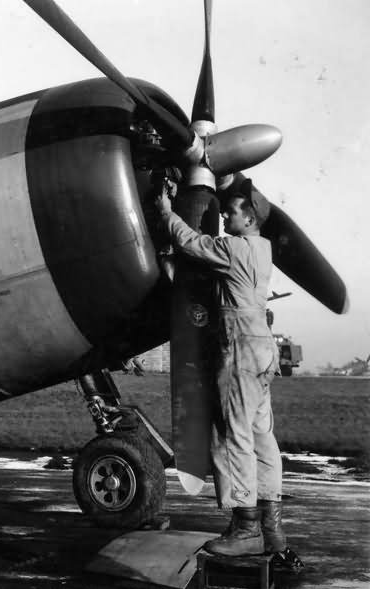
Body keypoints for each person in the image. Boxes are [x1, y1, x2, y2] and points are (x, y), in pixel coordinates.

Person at [155, 178, 298, 563]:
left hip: (239, 348)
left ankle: (246, 529)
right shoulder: (263, 249)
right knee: (262, 437)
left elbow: (191, 243)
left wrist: (167, 213)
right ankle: (272, 529)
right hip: (263, 348)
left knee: (231, 435)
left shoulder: (233, 249)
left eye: (232, 211)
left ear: (249, 218)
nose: (225, 216)